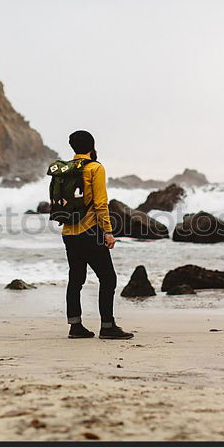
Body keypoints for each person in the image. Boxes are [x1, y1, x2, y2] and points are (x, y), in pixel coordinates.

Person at [61, 130, 134, 340]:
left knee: (76, 279)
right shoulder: (95, 168)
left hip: (68, 231)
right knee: (108, 278)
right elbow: (101, 203)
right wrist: (108, 232)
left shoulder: (66, 169)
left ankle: (75, 327)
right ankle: (108, 326)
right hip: (89, 231)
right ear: (92, 147)